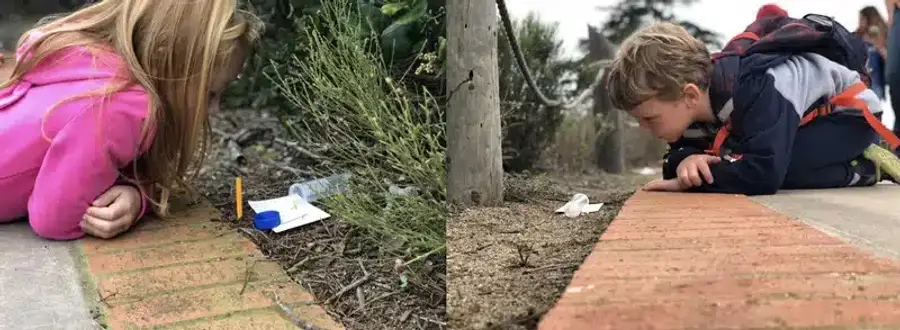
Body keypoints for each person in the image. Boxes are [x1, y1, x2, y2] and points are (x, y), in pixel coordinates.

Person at [0, 0, 263, 240]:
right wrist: (141, 198)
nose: (214, 110)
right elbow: (54, 218)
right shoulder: (119, 105)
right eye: (210, 93)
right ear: (165, 61)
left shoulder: (92, 62)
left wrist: (135, 193)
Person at [605, 18, 900, 195]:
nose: (644, 127)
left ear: (690, 95)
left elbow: (763, 174)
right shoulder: (694, 107)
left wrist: (694, 183)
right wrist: (684, 162)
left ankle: (866, 167)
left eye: (649, 118)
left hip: (848, 118)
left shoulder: (759, 87)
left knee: (781, 168)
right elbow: (675, 156)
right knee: (738, 157)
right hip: (798, 121)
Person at [858, 6, 889, 100]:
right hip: (859, 83)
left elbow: (889, 60)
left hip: (875, 83)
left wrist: (878, 45)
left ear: (869, 19)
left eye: (861, 19)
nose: (859, 22)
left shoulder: (883, 36)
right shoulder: (858, 36)